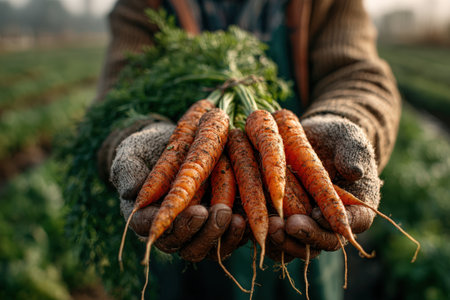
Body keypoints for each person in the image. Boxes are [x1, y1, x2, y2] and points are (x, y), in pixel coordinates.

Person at [95, 0, 401, 299]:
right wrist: (138, 134)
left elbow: (357, 74)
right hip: (182, 250)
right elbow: (118, 100)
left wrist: (348, 120)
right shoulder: (142, 4)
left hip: (307, 215)